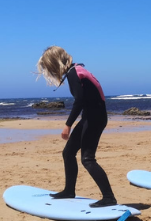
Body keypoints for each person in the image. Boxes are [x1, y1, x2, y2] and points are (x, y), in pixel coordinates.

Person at [36, 46, 117, 208]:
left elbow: (79, 100)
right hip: (92, 117)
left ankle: (109, 197)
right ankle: (69, 190)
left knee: (87, 159)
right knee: (68, 153)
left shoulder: (74, 73)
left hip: (94, 118)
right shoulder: (77, 70)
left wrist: (68, 125)